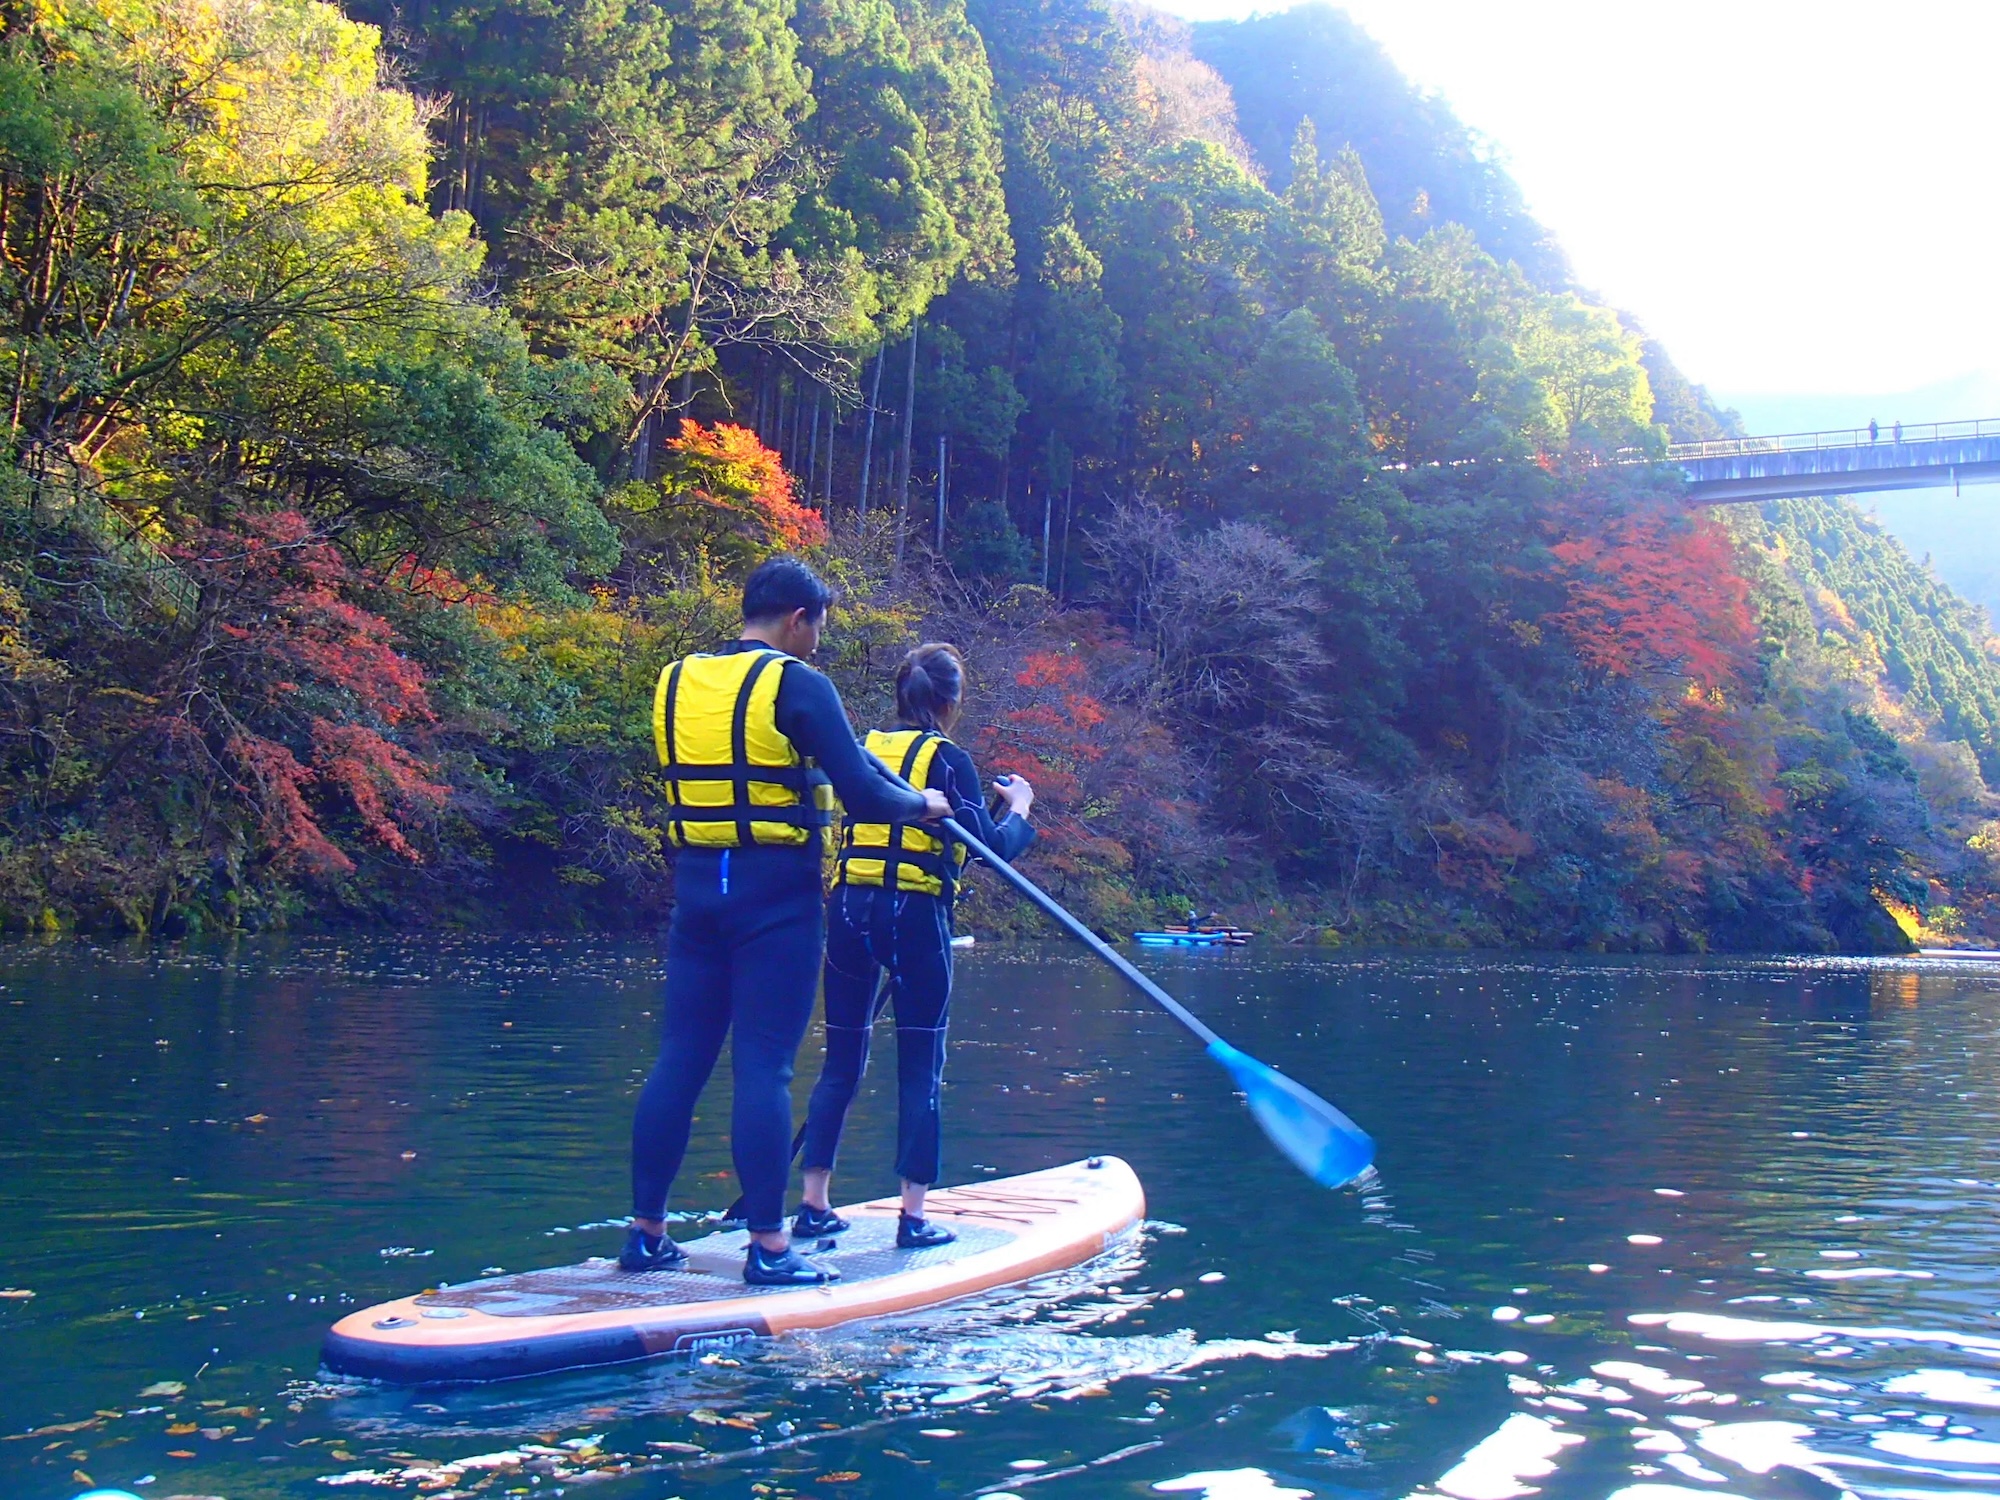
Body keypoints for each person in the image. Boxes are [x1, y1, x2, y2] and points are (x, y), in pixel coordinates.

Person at [622, 558, 951, 1286]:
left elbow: (843, 760)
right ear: (798, 619)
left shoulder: (676, 679)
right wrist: (925, 805)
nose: (818, 642)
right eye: (818, 627)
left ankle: (646, 1234)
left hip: (698, 890)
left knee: (680, 1058)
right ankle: (769, 1248)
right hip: (775, 900)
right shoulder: (799, 684)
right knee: (764, 1066)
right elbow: (865, 795)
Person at [793, 643, 1035, 1248]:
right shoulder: (949, 760)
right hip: (915, 914)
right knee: (921, 1064)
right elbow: (990, 849)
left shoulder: (863, 750)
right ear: (952, 701)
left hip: (849, 909)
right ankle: (913, 1216)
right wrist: (1020, 809)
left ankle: (813, 1203)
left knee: (841, 1060)